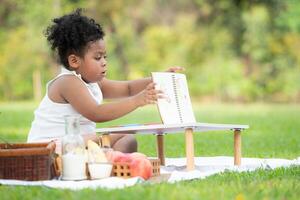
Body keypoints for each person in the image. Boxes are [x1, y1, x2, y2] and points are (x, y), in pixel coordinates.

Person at [27, 9, 183, 154]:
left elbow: (127, 88)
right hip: (50, 148)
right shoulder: (67, 82)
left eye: (105, 57)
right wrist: (138, 101)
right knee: (117, 134)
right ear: (74, 61)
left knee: (127, 140)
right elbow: (96, 113)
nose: (104, 62)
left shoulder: (92, 82)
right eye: (97, 57)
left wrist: (160, 78)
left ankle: (107, 166)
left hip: (77, 145)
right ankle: (104, 163)